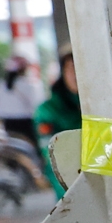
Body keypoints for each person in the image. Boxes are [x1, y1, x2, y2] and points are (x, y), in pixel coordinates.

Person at [32, 52, 81, 193]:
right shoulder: (48, 109)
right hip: (67, 175)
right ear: (63, 73)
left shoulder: (103, 103)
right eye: (70, 68)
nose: (75, 74)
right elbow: (49, 149)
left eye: (79, 67)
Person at [0, 53, 45, 144]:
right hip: (28, 125)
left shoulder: (1, 85)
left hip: (7, 124)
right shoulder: (32, 84)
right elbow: (39, 106)